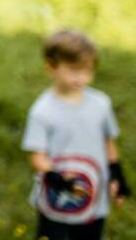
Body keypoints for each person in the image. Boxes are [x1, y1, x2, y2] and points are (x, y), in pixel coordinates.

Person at [21, 29, 129, 240]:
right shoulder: (42, 111)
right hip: (57, 196)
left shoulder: (101, 104)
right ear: (51, 67)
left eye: (87, 71)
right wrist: (58, 180)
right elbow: (36, 156)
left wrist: (117, 175)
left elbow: (108, 141)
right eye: (73, 70)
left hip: (93, 194)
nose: (81, 77)